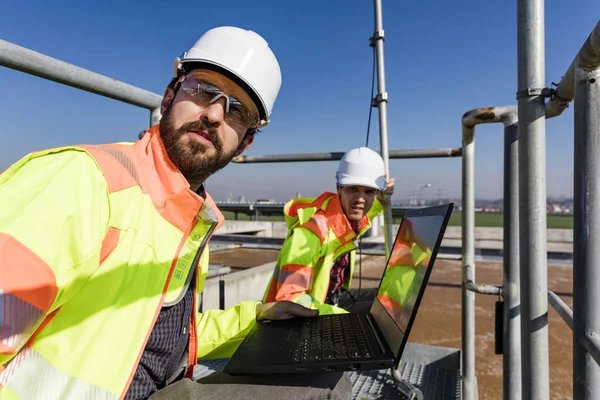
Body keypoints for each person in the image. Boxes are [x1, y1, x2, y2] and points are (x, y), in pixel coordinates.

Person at [0, 26, 350, 400]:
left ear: (245, 141)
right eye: (203, 89)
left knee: (328, 379)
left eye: (238, 110)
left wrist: (258, 316)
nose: (215, 113)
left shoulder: (192, 216)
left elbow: (165, 336)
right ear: (169, 97)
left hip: (164, 389)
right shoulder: (81, 182)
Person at [262, 147, 395, 314]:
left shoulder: (345, 222)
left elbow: (362, 220)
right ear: (339, 188)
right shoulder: (310, 233)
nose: (360, 199)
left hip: (330, 298)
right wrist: (343, 319)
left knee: (388, 299)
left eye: (369, 191)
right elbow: (290, 299)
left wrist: (380, 202)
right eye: (353, 189)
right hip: (299, 317)